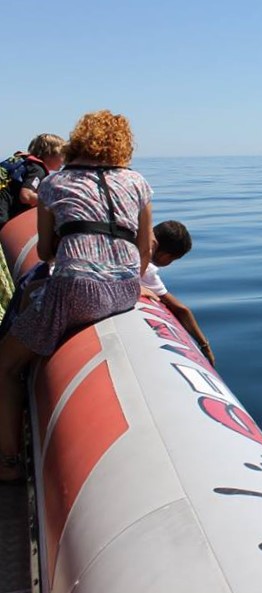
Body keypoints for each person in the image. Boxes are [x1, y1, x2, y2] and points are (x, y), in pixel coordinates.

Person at [0, 110, 153, 481]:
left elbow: (48, 250)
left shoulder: (55, 184)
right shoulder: (137, 182)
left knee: (4, 366)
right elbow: (145, 249)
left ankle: (7, 465)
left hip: (76, 291)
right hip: (125, 291)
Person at [141, 220, 215, 366]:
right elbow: (181, 310)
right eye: (173, 259)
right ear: (165, 255)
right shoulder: (147, 270)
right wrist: (205, 346)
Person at [0, 133, 66, 229]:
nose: (64, 160)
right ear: (50, 154)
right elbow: (26, 196)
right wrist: (53, 201)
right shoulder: (38, 170)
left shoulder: (25, 162)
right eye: (62, 155)